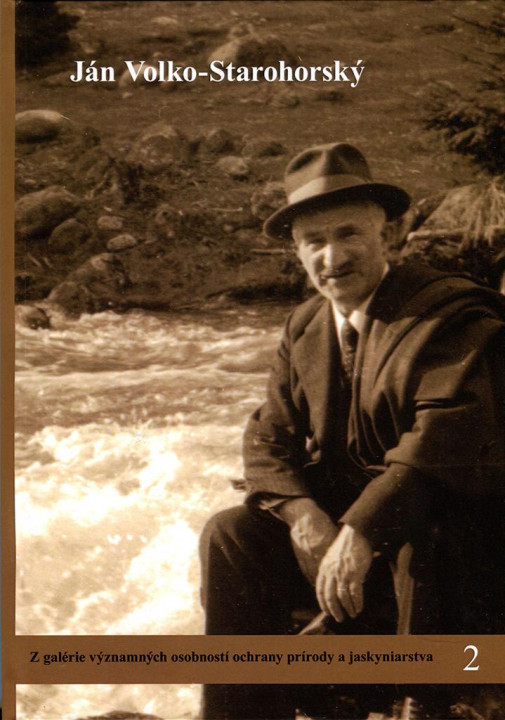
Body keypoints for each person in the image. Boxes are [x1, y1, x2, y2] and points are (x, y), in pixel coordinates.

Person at [199, 142, 505, 719]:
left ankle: (425, 702)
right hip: (346, 548)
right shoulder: (305, 327)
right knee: (230, 533)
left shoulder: (449, 316)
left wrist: (360, 531)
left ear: (387, 235)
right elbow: (266, 439)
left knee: (430, 525)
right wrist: (304, 516)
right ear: (297, 252)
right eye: (314, 242)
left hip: (455, 553)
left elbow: (441, 444)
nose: (332, 256)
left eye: (348, 234)